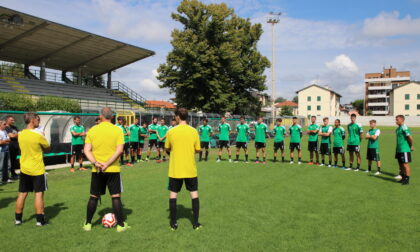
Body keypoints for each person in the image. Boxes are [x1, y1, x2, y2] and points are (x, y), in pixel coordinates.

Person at [83, 107, 130, 232]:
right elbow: (119, 150)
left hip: (97, 169)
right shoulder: (117, 130)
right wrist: (108, 163)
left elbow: (86, 150)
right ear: (112, 117)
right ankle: (120, 225)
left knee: (94, 196)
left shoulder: (92, 130)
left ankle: (88, 223)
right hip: (113, 169)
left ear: (101, 116)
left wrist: (95, 163)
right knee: (115, 196)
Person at [165, 108, 202, 230]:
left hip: (176, 169)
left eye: (175, 116)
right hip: (190, 168)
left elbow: (167, 148)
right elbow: (197, 149)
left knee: (173, 194)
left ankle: (173, 224)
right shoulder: (193, 131)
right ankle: (196, 223)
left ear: (178, 117)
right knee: (194, 193)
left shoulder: (171, 132)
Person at [15, 113, 50, 226]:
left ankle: (18, 219)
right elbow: (47, 148)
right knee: (38, 194)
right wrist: (43, 137)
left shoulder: (20, 134)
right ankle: (40, 220)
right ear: (32, 120)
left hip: (24, 168)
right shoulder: (38, 135)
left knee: (22, 193)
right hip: (37, 169)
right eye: (37, 119)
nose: (38, 121)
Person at [394, 115, 413, 185]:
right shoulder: (398, 129)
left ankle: (407, 179)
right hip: (398, 149)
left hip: (404, 149)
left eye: (397, 119)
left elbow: (410, 138)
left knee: (405, 164)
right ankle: (403, 178)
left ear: (402, 120)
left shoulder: (404, 127)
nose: (396, 121)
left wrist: (411, 146)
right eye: (396, 119)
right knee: (401, 164)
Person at [5, 115, 19, 180]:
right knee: (9, 161)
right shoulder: (6, 127)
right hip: (10, 146)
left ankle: (13, 173)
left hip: (16, 146)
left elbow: (18, 134)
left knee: (14, 161)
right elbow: (11, 136)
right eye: (11, 120)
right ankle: (7, 175)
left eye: (13, 120)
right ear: (7, 120)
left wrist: (15, 135)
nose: (13, 121)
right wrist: (17, 134)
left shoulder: (14, 127)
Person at [0, 120, 11, 184]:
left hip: (7, 149)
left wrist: (5, 141)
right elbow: (0, 142)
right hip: (1, 150)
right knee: (1, 166)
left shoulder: (5, 131)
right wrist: (5, 141)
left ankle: (6, 178)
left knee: (8, 165)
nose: (5, 125)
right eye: (4, 124)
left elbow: (9, 140)